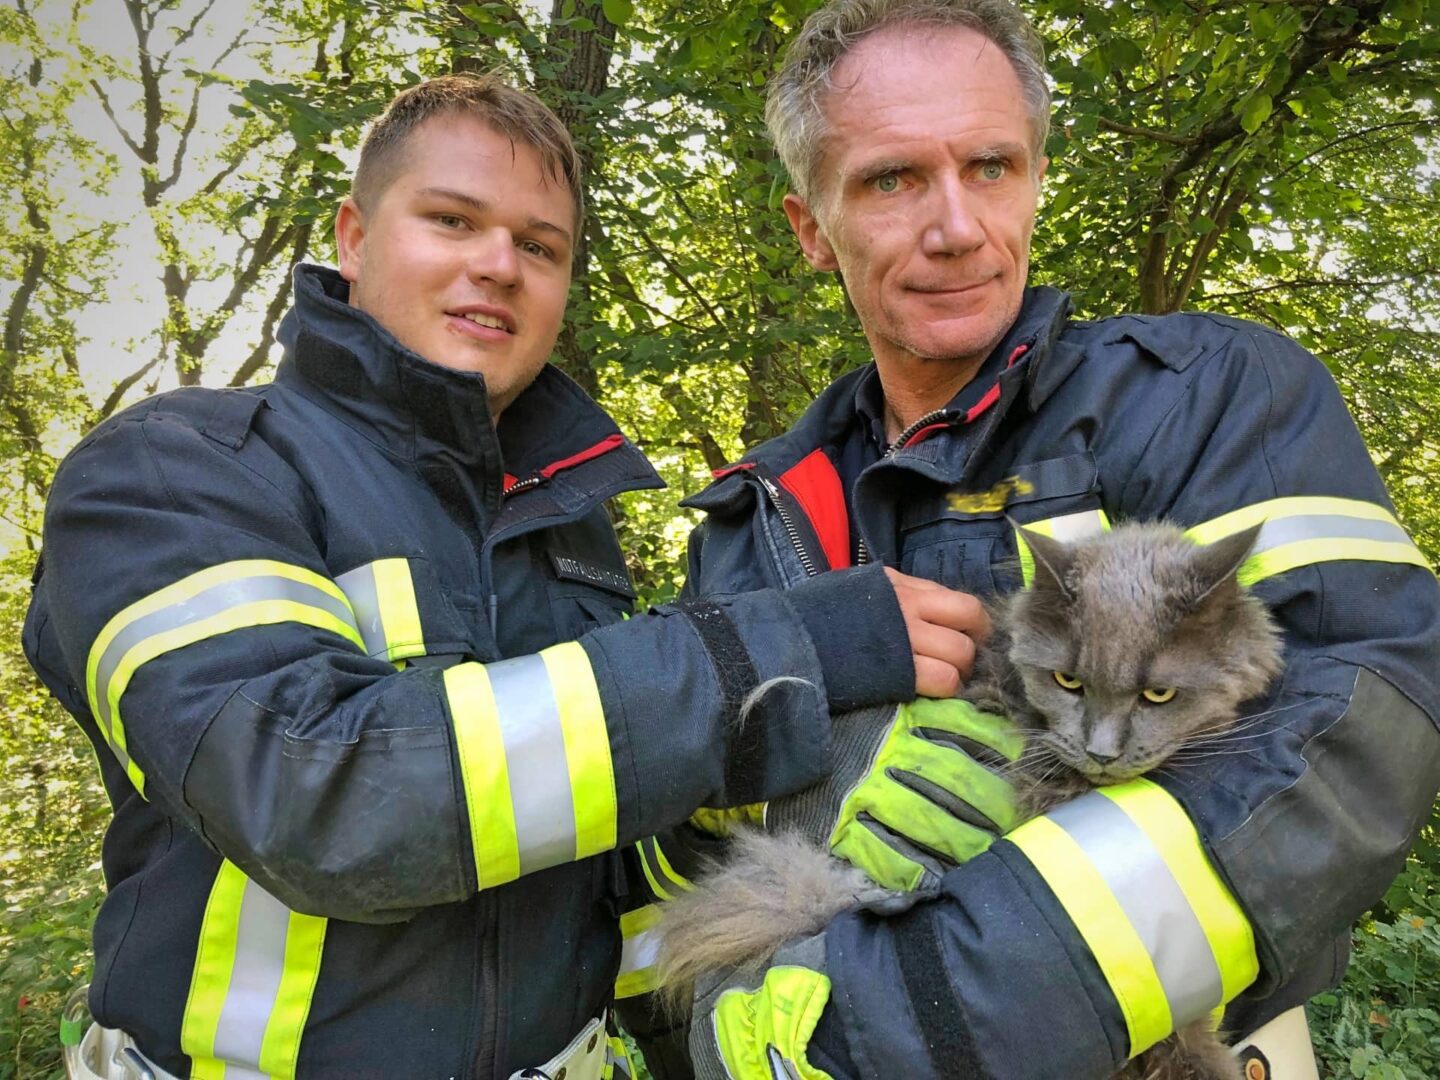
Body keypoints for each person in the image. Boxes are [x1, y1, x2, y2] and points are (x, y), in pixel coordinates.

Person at [24, 73, 993, 1080]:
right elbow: (318, 797)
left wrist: (754, 848)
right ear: (354, 237)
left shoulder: (568, 530)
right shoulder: (176, 468)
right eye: (452, 220)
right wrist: (786, 654)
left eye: (540, 247)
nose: (498, 265)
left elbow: (599, 872)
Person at [672, 2, 1440, 1078]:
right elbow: (687, 854)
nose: (955, 226)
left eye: (990, 166)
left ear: (1037, 176)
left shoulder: (1212, 396)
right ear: (811, 228)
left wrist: (904, 1024)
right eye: (892, 179)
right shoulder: (750, 520)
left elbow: (1358, 728)